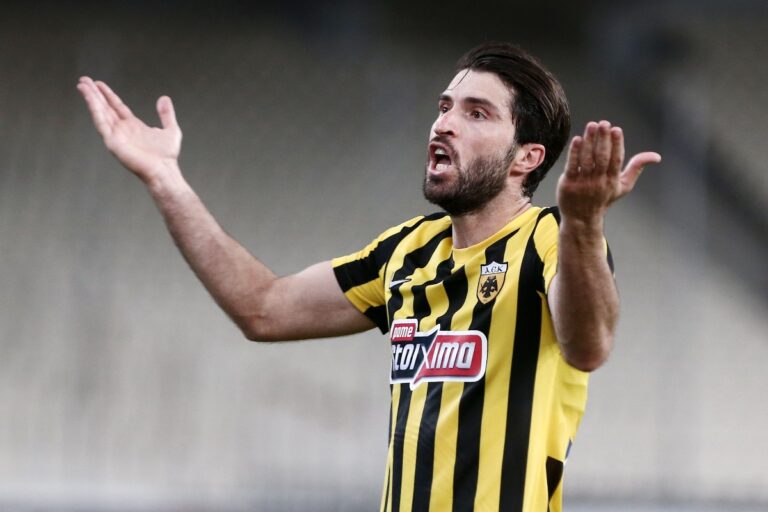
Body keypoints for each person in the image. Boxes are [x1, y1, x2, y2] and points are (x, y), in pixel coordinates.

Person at [77, 42, 660, 512]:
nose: (444, 124)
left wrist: (584, 223)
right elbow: (262, 307)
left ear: (526, 157)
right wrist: (165, 179)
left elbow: (587, 346)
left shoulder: (555, 238)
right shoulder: (406, 252)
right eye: (444, 107)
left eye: (476, 113)